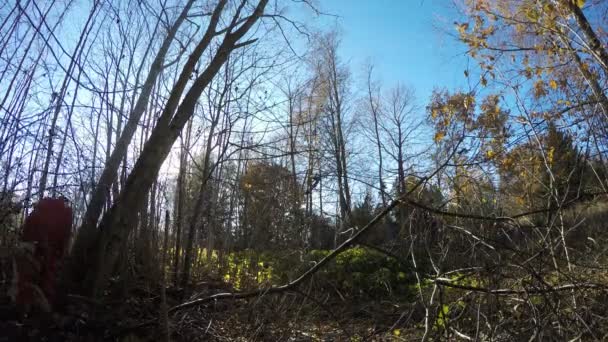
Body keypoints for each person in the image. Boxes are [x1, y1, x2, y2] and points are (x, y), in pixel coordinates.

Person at [14, 197, 72, 315]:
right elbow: (59, 243)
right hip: (36, 249)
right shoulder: (63, 214)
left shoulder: (42, 209)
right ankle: (38, 311)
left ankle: (21, 308)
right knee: (32, 282)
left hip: (26, 247)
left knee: (21, 281)